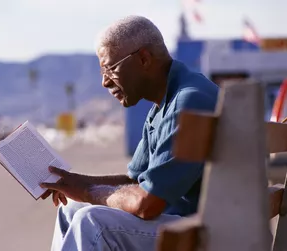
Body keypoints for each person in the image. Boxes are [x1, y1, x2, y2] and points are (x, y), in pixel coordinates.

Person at [40, 15, 219, 251]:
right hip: (183, 221)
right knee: (71, 207)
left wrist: (87, 191)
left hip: (209, 232)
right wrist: (74, 183)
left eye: (110, 68)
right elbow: (136, 181)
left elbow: (147, 203)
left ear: (144, 58)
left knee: (92, 222)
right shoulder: (165, 103)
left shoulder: (188, 101)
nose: (104, 82)